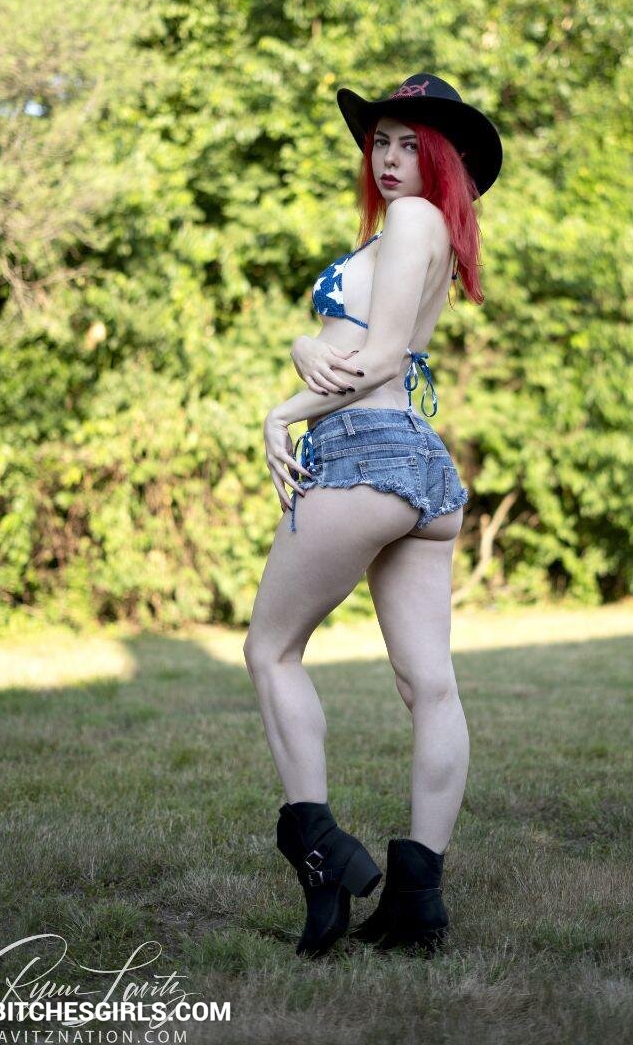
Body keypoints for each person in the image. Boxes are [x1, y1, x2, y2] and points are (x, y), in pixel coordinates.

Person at [244, 73, 502, 959]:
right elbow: (353, 341)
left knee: (271, 651)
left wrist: (281, 414)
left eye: (408, 145)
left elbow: (383, 354)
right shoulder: (413, 231)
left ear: (443, 160)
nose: (389, 158)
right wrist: (302, 343)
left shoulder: (414, 217)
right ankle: (416, 901)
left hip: (364, 451)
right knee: (428, 686)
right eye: (380, 142)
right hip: (418, 463)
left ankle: (321, 852)